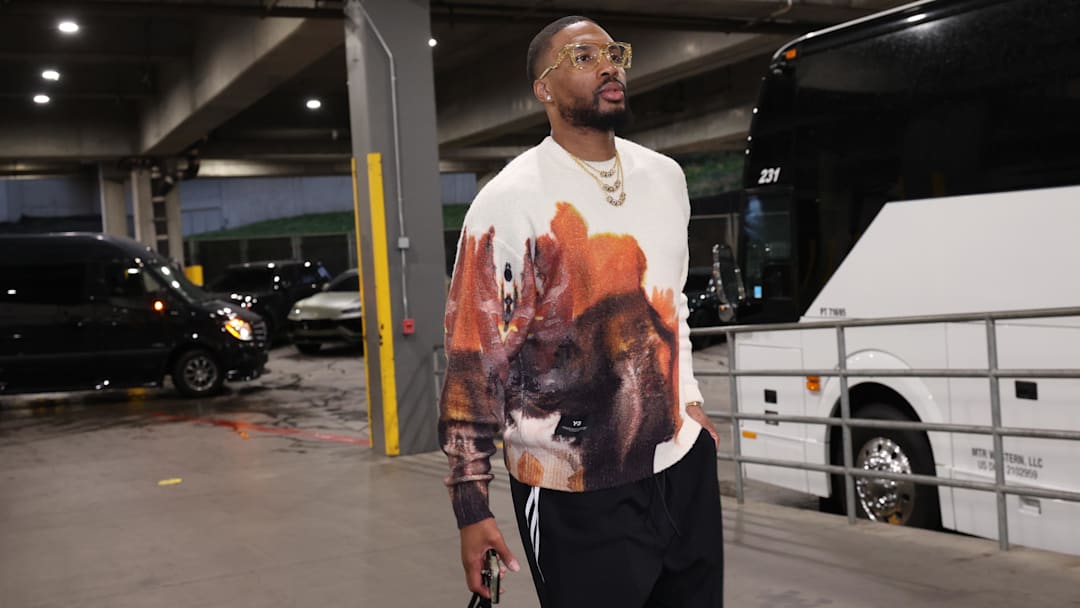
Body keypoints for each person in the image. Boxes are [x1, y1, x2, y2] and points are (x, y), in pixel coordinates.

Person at [439, 15, 725, 608]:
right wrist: (471, 506)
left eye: (613, 52)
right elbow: (473, 360)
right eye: (583, 56)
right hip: (573, 485)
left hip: (680, 467)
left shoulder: (665, 177)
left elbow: (674, 304)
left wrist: (690, 401)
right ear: (544, 88)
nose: (609, 64)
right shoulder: (509, 200)